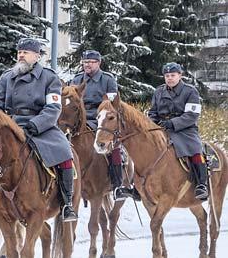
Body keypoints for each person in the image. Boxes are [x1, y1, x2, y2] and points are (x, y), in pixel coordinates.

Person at [0, 37, 78, 222]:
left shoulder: (49, 77)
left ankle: (66, 202)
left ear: (37, 56)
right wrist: (0, 124)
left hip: (41, 124)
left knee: (64, 151)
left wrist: (35, 125)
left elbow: (53, 108)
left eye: (25, 53)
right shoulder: (7, 77)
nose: (21, 55)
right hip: (10, 125)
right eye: (19, 52)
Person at [71, 50, 138, 201]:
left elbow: (112, 104)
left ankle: (117, 185)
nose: (87, 65)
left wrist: (102, 115)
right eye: (85, 62)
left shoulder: (107, 80)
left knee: (113, 146)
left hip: (100, 118)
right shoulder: (77, 79)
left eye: (91, 62)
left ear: (98, 63)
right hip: (79, 119)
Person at [148, 62, 208, 200]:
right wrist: (154, 123)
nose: (169, 78)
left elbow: (192, 115)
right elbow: (153, 112)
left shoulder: (190, 91)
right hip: (161, 127)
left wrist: (172, 123)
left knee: (195, 148)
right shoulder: (158, 91)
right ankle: (138, 185)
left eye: (173, 75)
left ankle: (201, 184)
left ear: (180, 75)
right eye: (167, 76)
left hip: (184, 129)